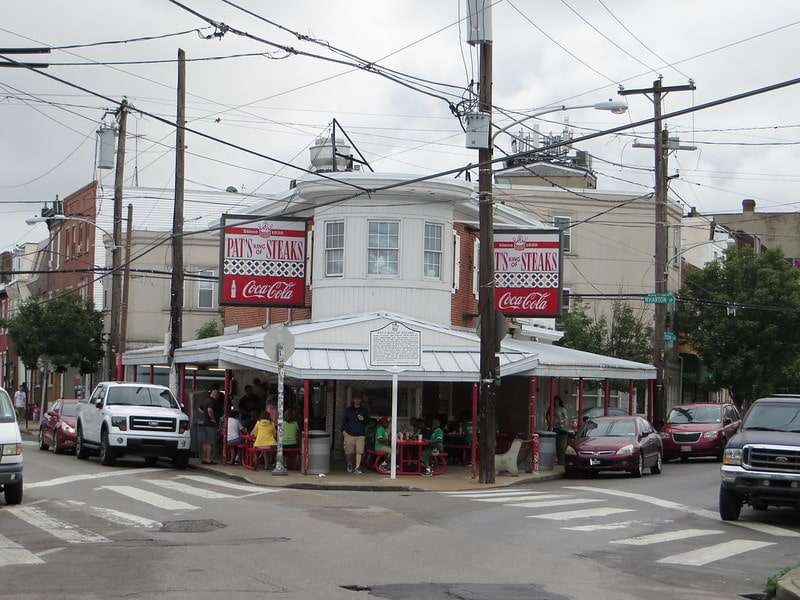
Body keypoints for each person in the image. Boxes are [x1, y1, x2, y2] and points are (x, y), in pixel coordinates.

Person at [342, 395, 368, 474]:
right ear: (353, 400)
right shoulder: (348, 410)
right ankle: (349, 464)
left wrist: (363, 419)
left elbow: (367, 421)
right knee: (349, 452)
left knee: (359, 451)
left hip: (360, 434)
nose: (357, 400)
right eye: (355, 399)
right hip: (349, 434)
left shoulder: (364, 410)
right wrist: (343, 431)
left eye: (358, 399)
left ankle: (357, 468)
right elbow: (344, 421)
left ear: (361, 400)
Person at [195, 393, 217, 464]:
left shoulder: (205, 400)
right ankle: (208, 459)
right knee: (209, 443)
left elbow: (199, 408)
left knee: (205, 442)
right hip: (210, 424)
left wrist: (205, 414)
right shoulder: (212, 401)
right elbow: (210, 410)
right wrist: (212, 419)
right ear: (215, 394)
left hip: (204, 423)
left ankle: (204, 458)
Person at [554, 396, 569, 465]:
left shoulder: (562, 409)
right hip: (554, 427)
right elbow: (548, 416)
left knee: (560, 445)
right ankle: (556, 458)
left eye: (557, 401)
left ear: (559, 401)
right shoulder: (552, 408)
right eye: (555, 401)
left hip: (560, 428)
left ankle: (561, 460)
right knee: (554, 444)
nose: (556, 402)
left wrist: (562, 422)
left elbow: (566, 418)